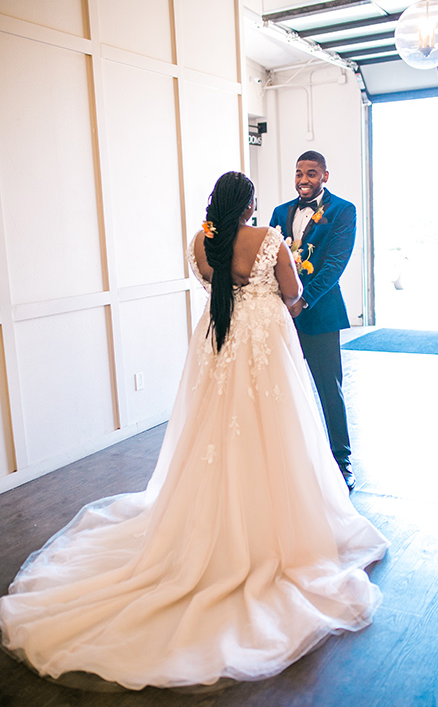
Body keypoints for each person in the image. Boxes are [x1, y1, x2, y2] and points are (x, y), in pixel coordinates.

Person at [0, 172, 388, 692]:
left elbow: (212, 284)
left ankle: (208, 520)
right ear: (250, 202)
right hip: (265, 345)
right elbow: (292, 294)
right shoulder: (270, 239)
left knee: (214, 430)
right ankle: (276, 526)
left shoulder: (200, 243)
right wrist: (281, 303)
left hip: (218, 341)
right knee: (278, 429)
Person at [270, 151, 357, 491]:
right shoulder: (279, 213)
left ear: (325, 175)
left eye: (311, 173)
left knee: (328, 390)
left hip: (320, 313)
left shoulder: (342, 211)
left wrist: (303, 300)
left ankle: (341, 461)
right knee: (284, 388)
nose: (303, 179)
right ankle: (291, 460)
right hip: (281, 316)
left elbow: (335, 264)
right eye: (298, 173)